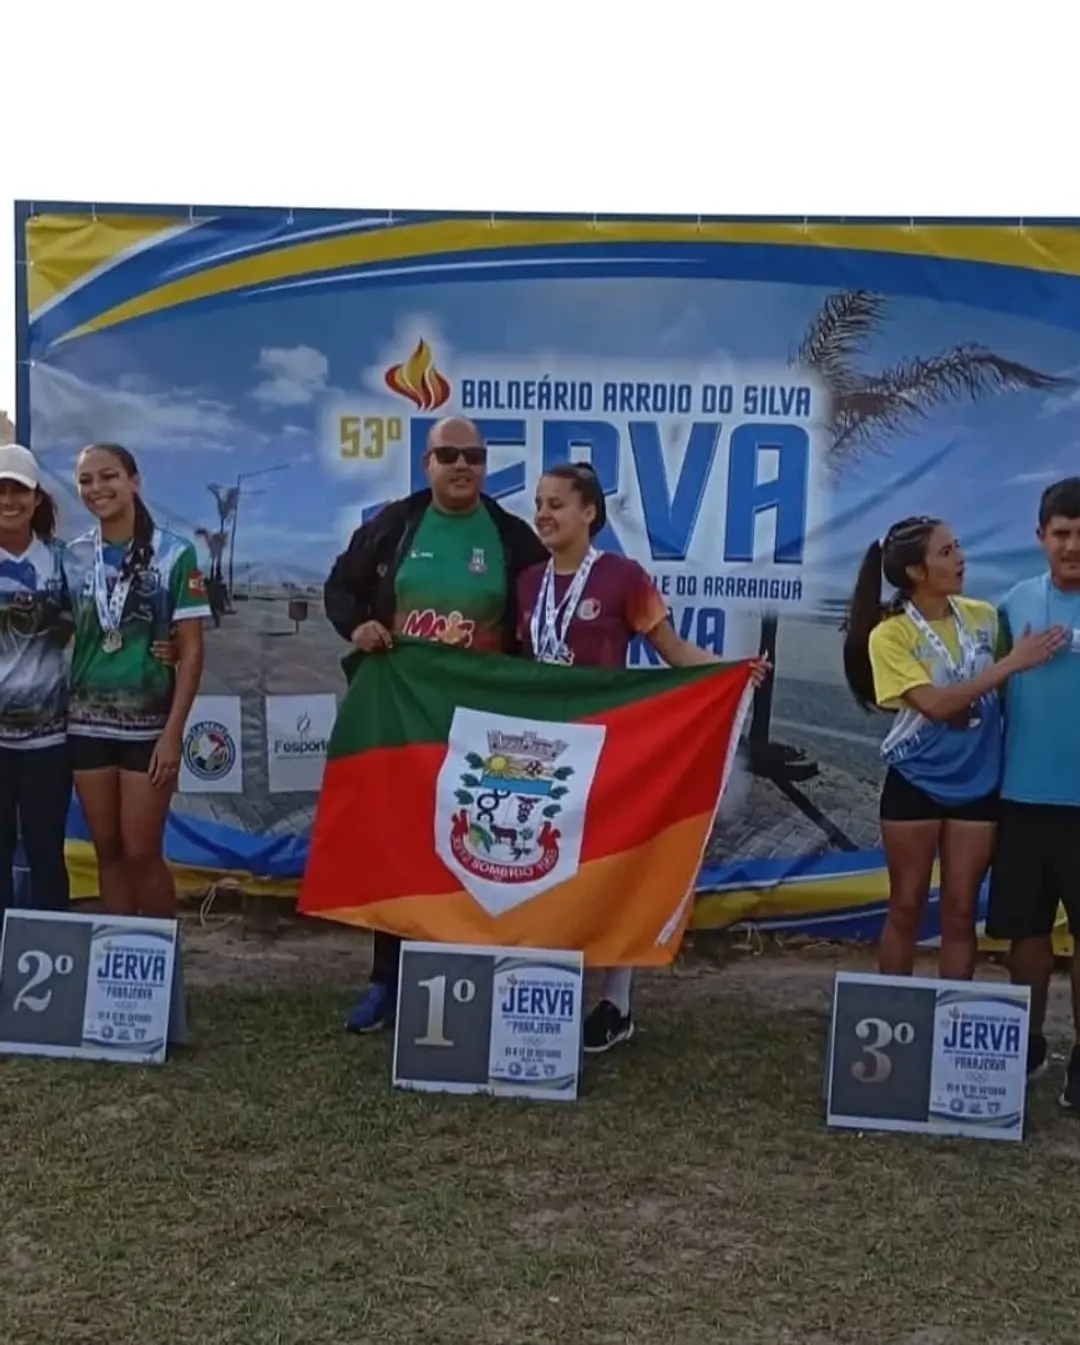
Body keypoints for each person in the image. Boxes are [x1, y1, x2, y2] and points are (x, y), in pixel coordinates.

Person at [517, 462, 767, 1053]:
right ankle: (544, 992)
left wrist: (734, 670)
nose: (544, 514)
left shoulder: (624, 578)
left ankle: (616, 1004)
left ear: (589, 513)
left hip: (607, 751)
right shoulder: (527, 581)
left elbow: (674, 651)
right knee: (543, 871)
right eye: (539, 504)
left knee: (608, 876)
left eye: (556, 504)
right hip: (539, 754)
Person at [325, 416, 548, 1033]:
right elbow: (340, 588)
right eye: (448, 455)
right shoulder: (395, 524)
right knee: (396, 847)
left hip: (482, 725)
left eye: (474, 457)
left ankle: (472, 978)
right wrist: (358, 627)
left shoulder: (509, 535)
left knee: (480, 849)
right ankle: (385, 981)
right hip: (403, 716)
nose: (462, 466)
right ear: (427, 462)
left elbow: (545, 612)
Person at [842, 515, 1065, 982]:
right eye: (946, 552)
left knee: (961, 914)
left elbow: (1001, 694)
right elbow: (938, 705)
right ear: (916, 572)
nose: (961, 558)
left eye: (959, 546)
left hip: (978, 784)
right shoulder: (891, 634)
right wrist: (1009, 666)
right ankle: (893, 1014)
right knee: (906, 906)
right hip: (916, 781)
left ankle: (951, 1027)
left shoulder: (982, 615)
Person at [65, 443, 209, 918]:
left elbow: (191, 652)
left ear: (134, 481)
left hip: (148, 728)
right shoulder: (74, 555)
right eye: (86, 480)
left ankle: (161, 967)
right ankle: (117, 963)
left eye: (108, 476)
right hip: (85, 725)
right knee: (107, 851)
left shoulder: (175, 554)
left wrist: (173, 735)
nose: (96, 489)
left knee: (142, 853)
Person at [986, 477, 1080, 1100]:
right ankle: (1028, 1044)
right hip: (1023, 798)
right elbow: (985, 691)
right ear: (1040, 536)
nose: (1073, 547)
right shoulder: (1012, 604)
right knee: (1027, 933)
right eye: (1063, 534)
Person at [0, 443, 74, 915]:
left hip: (50, 742)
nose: (9, 500)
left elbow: (99, 624)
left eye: (19, 491)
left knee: (47, 853)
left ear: (37, 499)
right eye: (0, 490)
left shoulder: (64, 561)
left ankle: (53, 951)